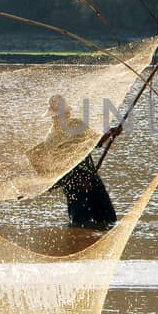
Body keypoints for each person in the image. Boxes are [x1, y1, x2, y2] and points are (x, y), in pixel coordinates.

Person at [33, 95, 122, 230]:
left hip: (91, 177)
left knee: (108, 217)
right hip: (73, 184)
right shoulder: (53, 137)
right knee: (80, 222)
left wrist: (110, 133)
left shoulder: (77, 125)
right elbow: (59, 165)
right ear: (54, 117)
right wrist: (80, 180)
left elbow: (94, 142)